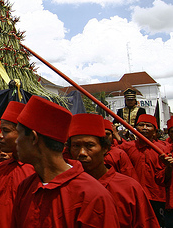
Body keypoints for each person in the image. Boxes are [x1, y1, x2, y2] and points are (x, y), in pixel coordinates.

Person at [12, 96, 119, 227]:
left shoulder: (91, 195)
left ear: (33, 138)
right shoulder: (26, 187)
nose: (16, 141)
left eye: (19, 134)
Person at [68, 113, 159, 227]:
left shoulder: (129, 188)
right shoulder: (66, 188)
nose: (82, 153)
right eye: (76, 146)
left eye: (89, 145)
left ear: (105, 148)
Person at [119, 113, 168, 225]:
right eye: (141, 125)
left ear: (155, 131)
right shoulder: (126, 148)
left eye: (148, 125)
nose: (145, 128)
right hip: (133, 196)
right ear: (136, 129)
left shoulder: (163, 149)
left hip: (156, 198)